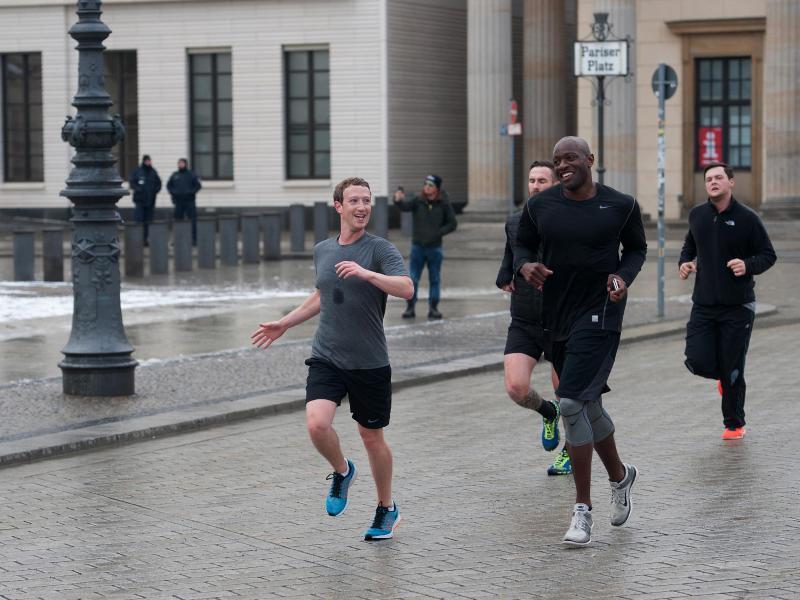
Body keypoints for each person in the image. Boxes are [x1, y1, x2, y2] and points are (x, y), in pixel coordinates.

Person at [251, 177, 414, 541]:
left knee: (372, 436)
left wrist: (367, 273)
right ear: (338, 206)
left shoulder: (380, 250)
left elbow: (406, 288)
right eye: (354, 200)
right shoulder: (323, 249)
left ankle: (386, 508)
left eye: (367, 201)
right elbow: (323, 295)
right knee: (316, 424)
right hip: (327, 355)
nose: (361, 207)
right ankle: (342, 471)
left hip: (369, 360)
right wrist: (285, 323)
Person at [515, 137, 647, 547]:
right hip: (556, 315)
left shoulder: (620, 205)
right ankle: (621, 476)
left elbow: (637, 249)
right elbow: (520, 244)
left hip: (601, 313)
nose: (562, 166)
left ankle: (582, 510)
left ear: (591, 160)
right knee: (589, 404)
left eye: (570, 158)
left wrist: (623, 277)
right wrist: (525, 266)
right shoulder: (540, 206)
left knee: (570, 402)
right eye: (557, 161)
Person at [679, 162, 776, 440]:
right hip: (704, 305)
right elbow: (689, 245)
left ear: (730, 182)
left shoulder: (748, 218)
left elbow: (768, 255)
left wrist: (747, 264)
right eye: (709, 178)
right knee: (696, 360)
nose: (713, 182)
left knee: (733, 366)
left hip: (738, 307)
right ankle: (724, 378)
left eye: (719, 177)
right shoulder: (697, 215)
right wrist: (685, 262)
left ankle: (734, 423)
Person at [496, 160, 570, 476]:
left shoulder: (571, 221)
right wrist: (504, 277)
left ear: (555, 185)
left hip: (562, 318)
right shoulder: (514, 222)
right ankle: (546, 412)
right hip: (525, 319)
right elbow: (509, 259)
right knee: (516, 387)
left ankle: (570, 452)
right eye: (532, 180)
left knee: (570, 395)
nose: (536, 185)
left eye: (542, 180)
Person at [393, 174, 457, 319]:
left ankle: (433, 308)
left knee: (434, 279)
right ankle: (410, 308)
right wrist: (397, 200)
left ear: (437, 188)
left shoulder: (444, 203)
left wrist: (438, 233)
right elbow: (404, 206)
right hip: (418, 248)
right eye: (425, 184)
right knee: (413, 279)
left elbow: (453, 224)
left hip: (435, 248)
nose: (426, 187)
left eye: (430, 185)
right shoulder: (418, 201)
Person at [167, 158, 202, 244]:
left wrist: (191, 192)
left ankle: (193, 240)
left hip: (189, 201)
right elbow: (169, 186)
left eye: (182, 163)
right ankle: (177, 239)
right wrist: (174, 193)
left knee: (192, 221)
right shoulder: (175, 175)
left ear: (186, 164)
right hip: (178, 202)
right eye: (179, 163)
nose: (181, 165)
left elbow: (198, 186)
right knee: (178, 221)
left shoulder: (191, 175)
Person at [129, 154, 161, 243]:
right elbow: (132, 183)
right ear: (143, 161)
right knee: (139, 221)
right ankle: (138, 239)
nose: (148, 162)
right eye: (147, 161)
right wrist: (139, 190)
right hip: (140, 201)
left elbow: (158, 184)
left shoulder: (153, 172)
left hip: (150, 201)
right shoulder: (137, 172)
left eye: (149, 161)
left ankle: (145, 239)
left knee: (148, 221)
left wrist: (154, 191)